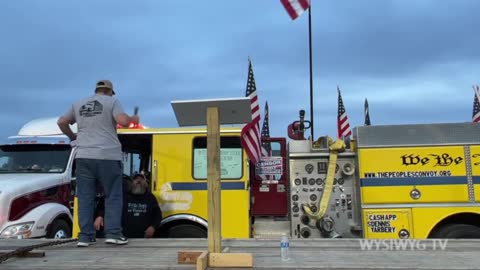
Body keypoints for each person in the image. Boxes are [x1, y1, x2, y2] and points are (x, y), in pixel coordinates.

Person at [57, 80, 139, 247]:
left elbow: (62, 122)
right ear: (110, 91)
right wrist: (133, 118)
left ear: (97, 90)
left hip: (84, 155)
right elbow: (122, 121)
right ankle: (114, 234)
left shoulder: (78, 103)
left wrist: (73, 137)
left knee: (86, 197)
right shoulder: (112, 101)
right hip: (108, 155)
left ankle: (85, 237)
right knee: (113, 196)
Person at [94, 173, 162, 238]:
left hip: (143, 239)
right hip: (122, 238)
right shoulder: (122, 195)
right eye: (136, 179)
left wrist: (153, 227)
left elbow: (158, 215)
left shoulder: (151, 198)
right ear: (131, 183)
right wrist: (99, 216)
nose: (138, 181)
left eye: (141, 179)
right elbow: (104, 203)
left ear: (146, 184)